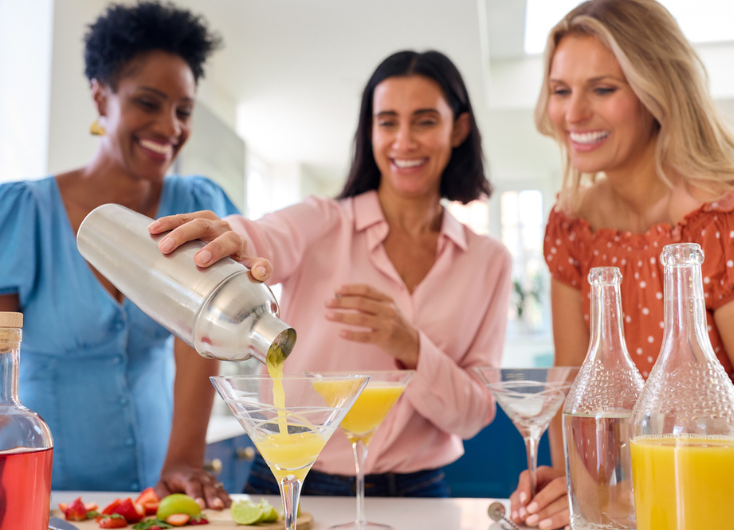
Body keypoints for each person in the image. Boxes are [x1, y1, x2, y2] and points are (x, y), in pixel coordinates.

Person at [149, 50, 513, 497]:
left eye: (424, 121)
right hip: (292, 483)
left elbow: (474, 416)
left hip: (416, 494)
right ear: (370, 131)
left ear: (457, 128)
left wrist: (410, 345)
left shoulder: (489, 262)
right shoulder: (321, 222)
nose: (404, 141)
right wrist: (235, 240)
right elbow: (262, 238)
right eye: (387, 121)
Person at [508, 0, 734, 527]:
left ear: (656, 91)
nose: (573, 113)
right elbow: (577, 389)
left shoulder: (733, 221)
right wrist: (577, 496)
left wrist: (637, 489)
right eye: (560, 90)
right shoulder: (572, 227)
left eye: (603, 88)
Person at [0, 2, 238, 508]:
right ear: (100, 96)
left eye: (184, 110)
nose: (170, 127)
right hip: (47, 495)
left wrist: (184, 463)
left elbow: (203, 343)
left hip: (157, 491)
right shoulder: (21, 213)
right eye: (148, 103)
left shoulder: (196, 207)